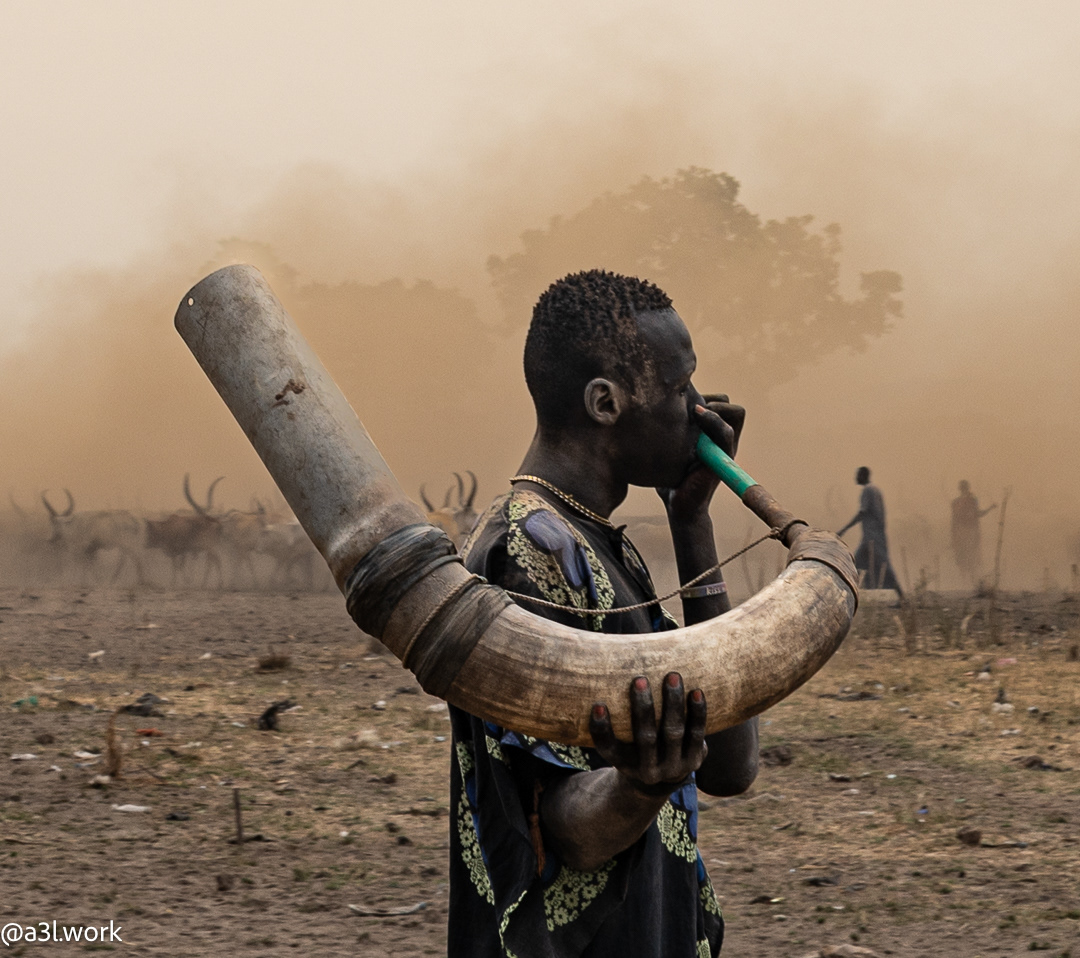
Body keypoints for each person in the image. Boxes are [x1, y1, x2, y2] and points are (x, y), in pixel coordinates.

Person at [449, 270, 759, 957]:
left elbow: (731, 766)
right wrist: (641, 786)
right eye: (679, 387)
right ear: (605, 403)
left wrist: (692, 522)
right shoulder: (527, 550)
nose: (700, 409)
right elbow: (559, 828)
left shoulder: (595, 544)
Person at [837, 466, 904, 600]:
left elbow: (862, 513)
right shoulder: (876, 490)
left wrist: (845, 529)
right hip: (875, 537)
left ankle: (902, 597)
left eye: (858, 475)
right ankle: (844, 596)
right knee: (859, 566)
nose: (855, 478)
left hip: (871, 539)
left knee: (878, 566)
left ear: (863, 475)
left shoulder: (867, 491)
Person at [950, 480, 996, 588]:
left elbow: (954, 521)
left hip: (963, 534)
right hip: (968, 533)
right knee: (969, 558)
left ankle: (967, 583)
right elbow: (978, 514)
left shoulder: (958, 502)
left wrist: (953, 536)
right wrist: (990, 508)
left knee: (966, 558)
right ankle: (969, 583)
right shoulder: (970, 501)